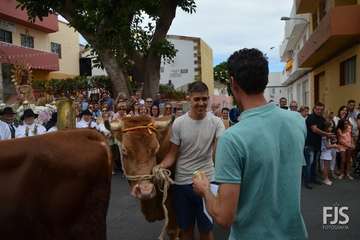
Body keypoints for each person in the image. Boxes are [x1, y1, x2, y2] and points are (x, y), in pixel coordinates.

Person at [192, 48, 308, 240]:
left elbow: (224, 217)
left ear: (233, 83)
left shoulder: (232, 139)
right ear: (265, 79)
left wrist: (204, 189)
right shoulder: (296, 120)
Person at [158, 81, 225, 240]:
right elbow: (172, 154)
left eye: (204, 99)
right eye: (197, 99)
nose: (201, 103)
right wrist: (159, 167)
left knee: (206, 231)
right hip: (182, 184)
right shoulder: (179, 123)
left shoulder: (216, 122)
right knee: (185, 230)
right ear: (189, 99)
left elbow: (219, 152)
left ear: (208, 99)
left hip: (207, 182)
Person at [304, 102, 333, 189]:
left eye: (321, 109)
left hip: (317, 144)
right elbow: (315, 130)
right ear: (314, 109)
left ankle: (313, 178)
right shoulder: (311, 117)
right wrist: (327, 134)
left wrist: (328, 116)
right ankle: (307, 181)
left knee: (314, 163)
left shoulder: (321, 118)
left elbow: (327, 125)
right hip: (309, 144)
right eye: (317, 109)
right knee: (309, 164)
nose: (319, 111)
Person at [320, 121, 339, 186]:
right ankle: (326, 179)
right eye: (330, 127)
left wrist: (333, 139)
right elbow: (327, 146)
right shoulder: (324, 136)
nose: (331, 128)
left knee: (327, 166)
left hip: (327, 152)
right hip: (325, 152)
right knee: (326, 167)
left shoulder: (327, 135)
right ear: (326, 128)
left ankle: (326, 177)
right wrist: (335, 146)